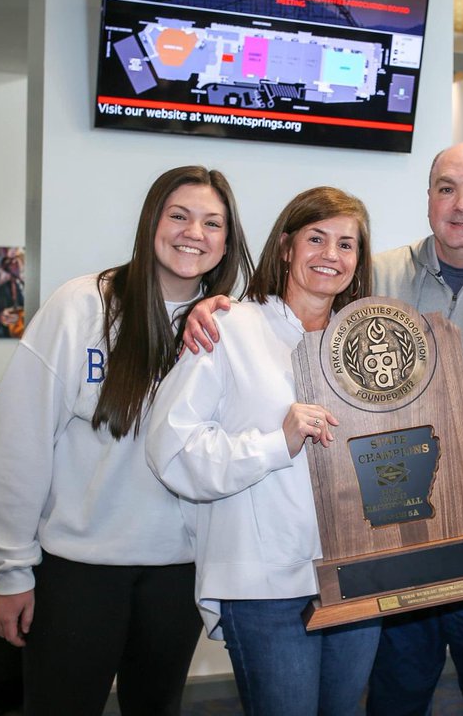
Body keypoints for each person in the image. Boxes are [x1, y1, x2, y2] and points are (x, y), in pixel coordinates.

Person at [180, 142, 463, 715]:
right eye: (446, 188)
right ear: (428, 200)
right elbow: (301, 309)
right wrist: (214, 306)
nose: (462, 204)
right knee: (390, 703)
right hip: (390, 548)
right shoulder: (376, 275)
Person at [0, 166, 252, 716]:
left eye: (212, 222)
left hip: (179, 573)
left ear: (227, 240)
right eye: (179, 215)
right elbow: (19, 440)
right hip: (80, 571)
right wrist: (9, 567)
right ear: (152, 221)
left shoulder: (233, 328)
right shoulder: (83, 306)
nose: (193, 232)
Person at [146, 187, 378, 715]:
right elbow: (172, 449)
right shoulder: (229, 328)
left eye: (346, 245)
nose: (330, 255)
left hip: (357, 576)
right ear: (285, 247)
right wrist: (278, 443)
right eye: (316, 238)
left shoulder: (369, 341)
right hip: (267, 586)